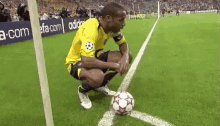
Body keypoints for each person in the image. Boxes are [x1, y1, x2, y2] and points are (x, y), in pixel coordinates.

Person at [65, 2, 132, 109]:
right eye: (121, 20)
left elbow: (123, 44)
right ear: (109, 18)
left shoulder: (111, 28)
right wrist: (114, 66)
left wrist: (125, 57)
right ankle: (83, 90)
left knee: (126, 57)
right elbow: (86, 61)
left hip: (93, 58)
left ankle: (100, 86)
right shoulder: (91, 28)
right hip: (77, 62)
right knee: (97, 76)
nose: (123, 23)